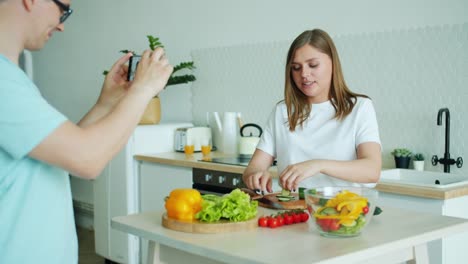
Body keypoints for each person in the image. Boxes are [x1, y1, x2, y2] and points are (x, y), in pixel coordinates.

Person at [0, 0, 173, 263]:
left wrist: (106, 103)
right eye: (63, 9)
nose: (61, 26)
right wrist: (143, 90)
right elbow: (86, 160)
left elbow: (63, 154)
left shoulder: (12, 78)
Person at [242, 29, 382, 193]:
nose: (304, 74)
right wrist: (255, 175)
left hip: (345, 211)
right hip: (293, 211)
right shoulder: (282, 111)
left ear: (333, 64)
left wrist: (318, 165)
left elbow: (372, 170)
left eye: (313, 65)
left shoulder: (359, 107)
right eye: (296, 68)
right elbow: (253, 168)